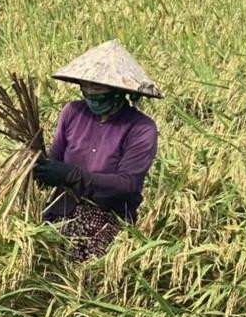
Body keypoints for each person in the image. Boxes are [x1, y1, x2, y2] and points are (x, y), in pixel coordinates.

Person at [33, 40, 162, 262]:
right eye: (86, 91)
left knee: (83, 262)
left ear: (119, 93)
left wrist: (73, 176)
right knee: (41, 255)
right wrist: (37, 167)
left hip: (108, 215)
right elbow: (54, 160)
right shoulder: (72, 112)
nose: (91, 98)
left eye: (99, 94)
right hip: (62, 209)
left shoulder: (141, 128)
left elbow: (127, 185)